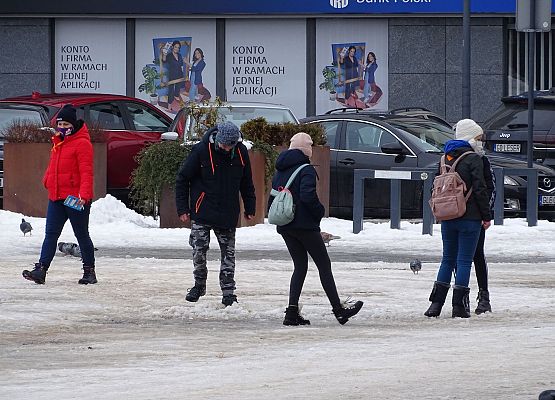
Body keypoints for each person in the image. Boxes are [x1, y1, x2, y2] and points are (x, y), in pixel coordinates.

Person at [269, 132, 363, 325]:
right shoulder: (306, 170)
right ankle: (339, 311)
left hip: (285, 226)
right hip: (305, 226)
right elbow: (308, 196)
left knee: (300, 266)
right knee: (323, 265)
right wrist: (319, 211)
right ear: (307, 149)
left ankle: (291, 312)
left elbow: (273, 195)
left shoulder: (281, 169)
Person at [175, 121, 256, 307]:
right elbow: (182, 179)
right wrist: (183, 209)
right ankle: (199, 285)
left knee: (228, 254)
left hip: (227, 211)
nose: (226, 148)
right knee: (199, 251)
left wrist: (250, 207)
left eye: (230, 145)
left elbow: (247, 182)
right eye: (223, 144)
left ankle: (228, 292)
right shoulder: (201, 151)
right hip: (202, 210)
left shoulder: (241, 152)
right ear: (217, 139)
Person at [424, 119, 492, 319]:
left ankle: (435, 305)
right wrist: (486, 216)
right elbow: (480, 189)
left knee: (447, 260)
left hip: (447, 216)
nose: (480, 142)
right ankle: (459, 307)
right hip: (470, 218)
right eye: (478, 138)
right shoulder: (474, 159)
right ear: (470, 137)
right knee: (463, 262)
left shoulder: (445, 158)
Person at [22, 104, 97, 285]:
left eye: (65, 125)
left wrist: (84, 195)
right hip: (57, 196)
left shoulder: (82, 144)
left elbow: (87, 172)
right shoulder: (58, 142)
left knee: (81, 234)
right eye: (60, 124)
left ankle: (89, 272)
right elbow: (53, 167)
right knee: (51, 234)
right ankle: (41, 270)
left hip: (75, 198)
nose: (62, 128)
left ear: (73, 125)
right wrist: (47, 180)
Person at [161, 40, 185, 105]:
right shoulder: (169, 55)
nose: (177, 49)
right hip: (172, 74)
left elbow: (181, 64)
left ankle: (176, 96)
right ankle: (169, 103)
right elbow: (164, 60)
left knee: (178, 86)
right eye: (175, 47)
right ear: (172, 47)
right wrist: (164, 54)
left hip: (180, 74)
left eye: (178, 47)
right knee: (171, 89)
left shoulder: (179, 55)